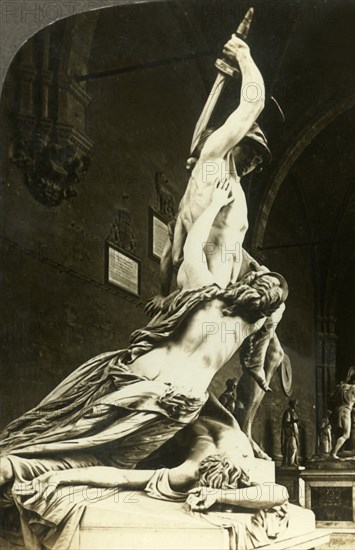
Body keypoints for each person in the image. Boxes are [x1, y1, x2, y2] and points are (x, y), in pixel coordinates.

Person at [0, 181, 288, 505]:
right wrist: (269, 287)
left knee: (61, 431)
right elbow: (271, 321)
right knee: (103, 460)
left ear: (247, 282)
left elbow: (191, 250)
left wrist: (213, 205)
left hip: (135, 373)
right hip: (177, 400)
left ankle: (12, 463)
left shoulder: (206, 292)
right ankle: (19, 470)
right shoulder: (250, 324)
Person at [11, 395, 289, 549]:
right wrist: (58, 477)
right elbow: (279, 493)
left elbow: (119, 477)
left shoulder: (207, 463)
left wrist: (59, 477)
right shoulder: (195, 470)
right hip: (190, 422)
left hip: (192, 418)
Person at [146, 33, 270, 312]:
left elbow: (174, 244)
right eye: (250, 152)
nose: (253, 163)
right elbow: (254, 104)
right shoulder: (213, 162)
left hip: (213, 294)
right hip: (207, 294)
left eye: (258, 160)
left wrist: (163, 293)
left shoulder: (227, 186)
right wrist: (243, 54)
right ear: (233, 142)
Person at [330, 367, 355, 460]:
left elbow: (330, 399)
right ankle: (333, 454)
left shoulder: (340, 387)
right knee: (346, 435)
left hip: (335, 411)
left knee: (337, 434)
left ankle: (334, 453)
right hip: (346, 411)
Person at [281, 400, 300, 467]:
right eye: (295, 404)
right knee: (292, 448)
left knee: (294, 448)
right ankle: (290, 462)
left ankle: (293, 461)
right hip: (290, 434)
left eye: (296, 404)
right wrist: (293, 421)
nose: (296, 406)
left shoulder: (294, 412)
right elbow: (286, 423)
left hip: (295, 434)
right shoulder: (288, 412)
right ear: (291, 404)